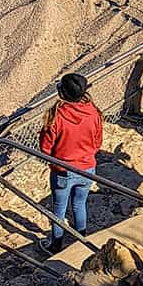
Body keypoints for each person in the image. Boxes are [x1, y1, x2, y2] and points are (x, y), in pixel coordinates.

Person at [39, 71, 103, 253]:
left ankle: (56, 245)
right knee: (79, 204)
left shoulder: (55, 117)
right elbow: (97, 142)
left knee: (59, 209)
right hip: (87, 168)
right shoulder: (94, 112)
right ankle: (81, 240)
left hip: (63, 170)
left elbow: (45, 148)